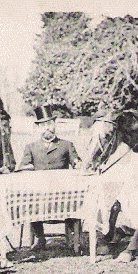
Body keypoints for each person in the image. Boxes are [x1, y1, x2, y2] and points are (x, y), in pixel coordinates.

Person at [17, 105, 82, 250]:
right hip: (39, 195)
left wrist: (78, 164)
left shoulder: (66, 145)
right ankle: (40, 237)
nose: (47, 128)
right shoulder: (31, 147)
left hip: (62, 194)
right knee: (30, 200)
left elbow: (76, 162)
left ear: (54, 125)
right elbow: (23, 166)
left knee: (73, 199)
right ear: (38, 127)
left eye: (49, 124)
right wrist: (27, 169)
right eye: (43, 125)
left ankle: (72, 237)